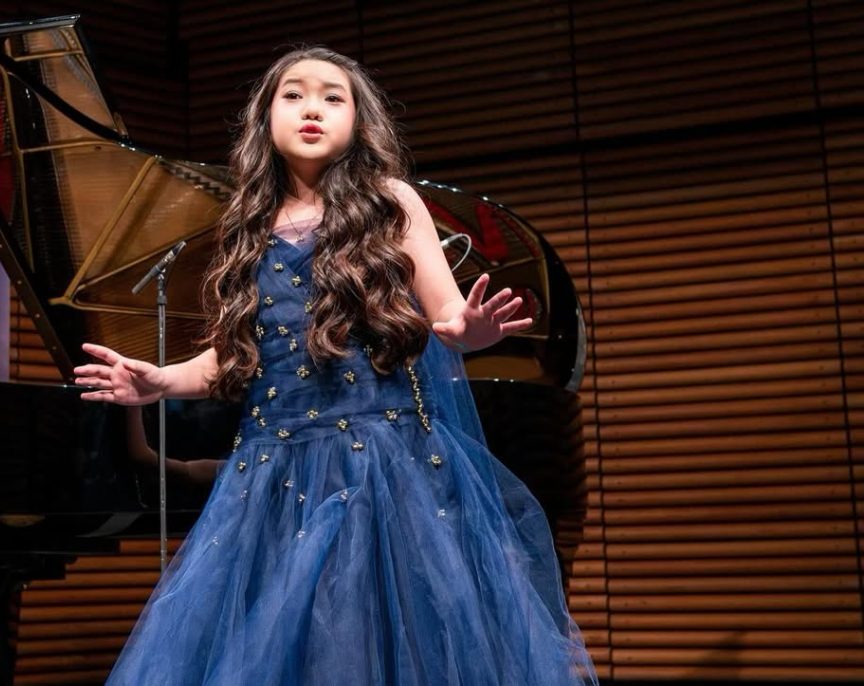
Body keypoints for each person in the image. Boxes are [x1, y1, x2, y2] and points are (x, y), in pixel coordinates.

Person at [75, 46, 599, 686]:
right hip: (271, 474)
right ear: (265, 117)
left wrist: (470, 329)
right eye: (292, 95)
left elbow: (447, 318)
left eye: (333, 96)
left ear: (359, 119)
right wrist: (160, 381)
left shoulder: (391, 201)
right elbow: (232, 358)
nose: (312, 108)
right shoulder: (245, 224)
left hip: (383, 467)